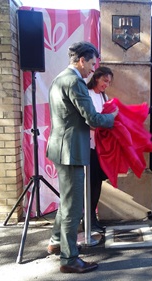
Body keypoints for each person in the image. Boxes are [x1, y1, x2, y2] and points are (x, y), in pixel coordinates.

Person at [46, 41, 118, 274]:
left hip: (62, 148)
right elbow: (94, 119)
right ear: (81, 61)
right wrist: (113, 117)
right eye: (91, 64)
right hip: (72, 151)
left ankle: (56, 242)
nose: (92, 69)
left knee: (67, 200)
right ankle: (69, 258)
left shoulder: (59, 79)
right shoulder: (75, 81)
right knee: (73, 205)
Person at [86, 66, 114, 231]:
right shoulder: (86, 95)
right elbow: (88, 120)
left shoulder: (105, 96)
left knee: (97, 183)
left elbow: (106, 119)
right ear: (96, 78)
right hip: (88, 145)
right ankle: (87, 219)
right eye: (105, 80)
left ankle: (93, 219)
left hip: (100, 147)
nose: (107, 85)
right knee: (89, 183)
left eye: (109, 82)